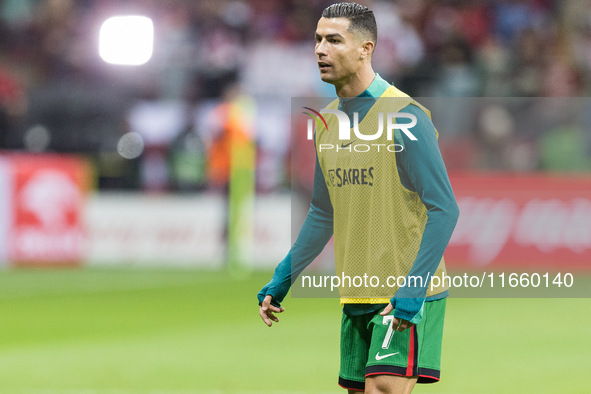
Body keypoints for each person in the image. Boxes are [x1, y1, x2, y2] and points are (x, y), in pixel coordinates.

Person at [257, 3, 459, 393]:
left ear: (366, 48)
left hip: (403, 293)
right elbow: (321, 211)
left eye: (334, 40)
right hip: (356, 293)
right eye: (317, 39)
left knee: (382, 388)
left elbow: (444, 207)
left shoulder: (406, 116)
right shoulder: (327, 121)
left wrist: (413, 289)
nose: (320, 49)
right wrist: (283, 277)